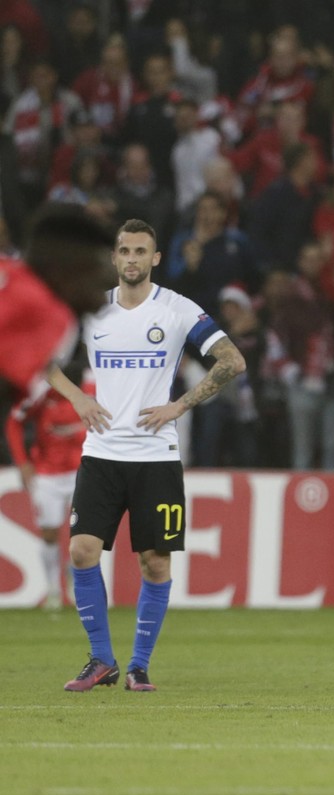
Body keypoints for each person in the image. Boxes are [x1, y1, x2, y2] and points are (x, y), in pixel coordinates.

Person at [47, 218, 246, 692]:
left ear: (155, 258)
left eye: (141, 251)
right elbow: (40, 356)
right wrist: (78, 398)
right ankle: (100, 660)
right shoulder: (91, 311)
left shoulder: (178, 310)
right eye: (125, 251)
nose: (132, 259)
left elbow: (233, 360)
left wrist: (179, 405)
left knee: (155, 563)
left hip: (157, 456)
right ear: (114, 258)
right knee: (80, 550)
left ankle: (138, 666)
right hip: (101, 452)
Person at [0, 204, 114, 402]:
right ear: (68, 272)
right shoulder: (49, 315)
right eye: (96, 280)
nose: (103, 301)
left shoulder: (8, 271)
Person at [4, 364, 91, 609]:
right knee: (50, 533)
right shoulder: (39, 396)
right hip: (47, 474)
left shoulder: (93, 392)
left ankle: (76, 577)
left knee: (83, 534)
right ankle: (53, 588)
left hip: (82, 472)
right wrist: (22, 463)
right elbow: (13, 423)